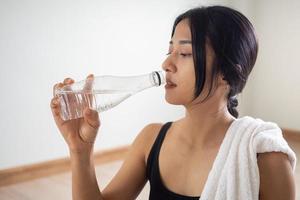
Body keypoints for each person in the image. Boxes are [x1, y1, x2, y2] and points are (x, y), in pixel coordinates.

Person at [50, 5, 296, 200]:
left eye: (185, 53)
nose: (166, 64)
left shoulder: (266, 158)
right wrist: (80, 151)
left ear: (226, 73)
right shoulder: (151, 139)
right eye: (170, 50)